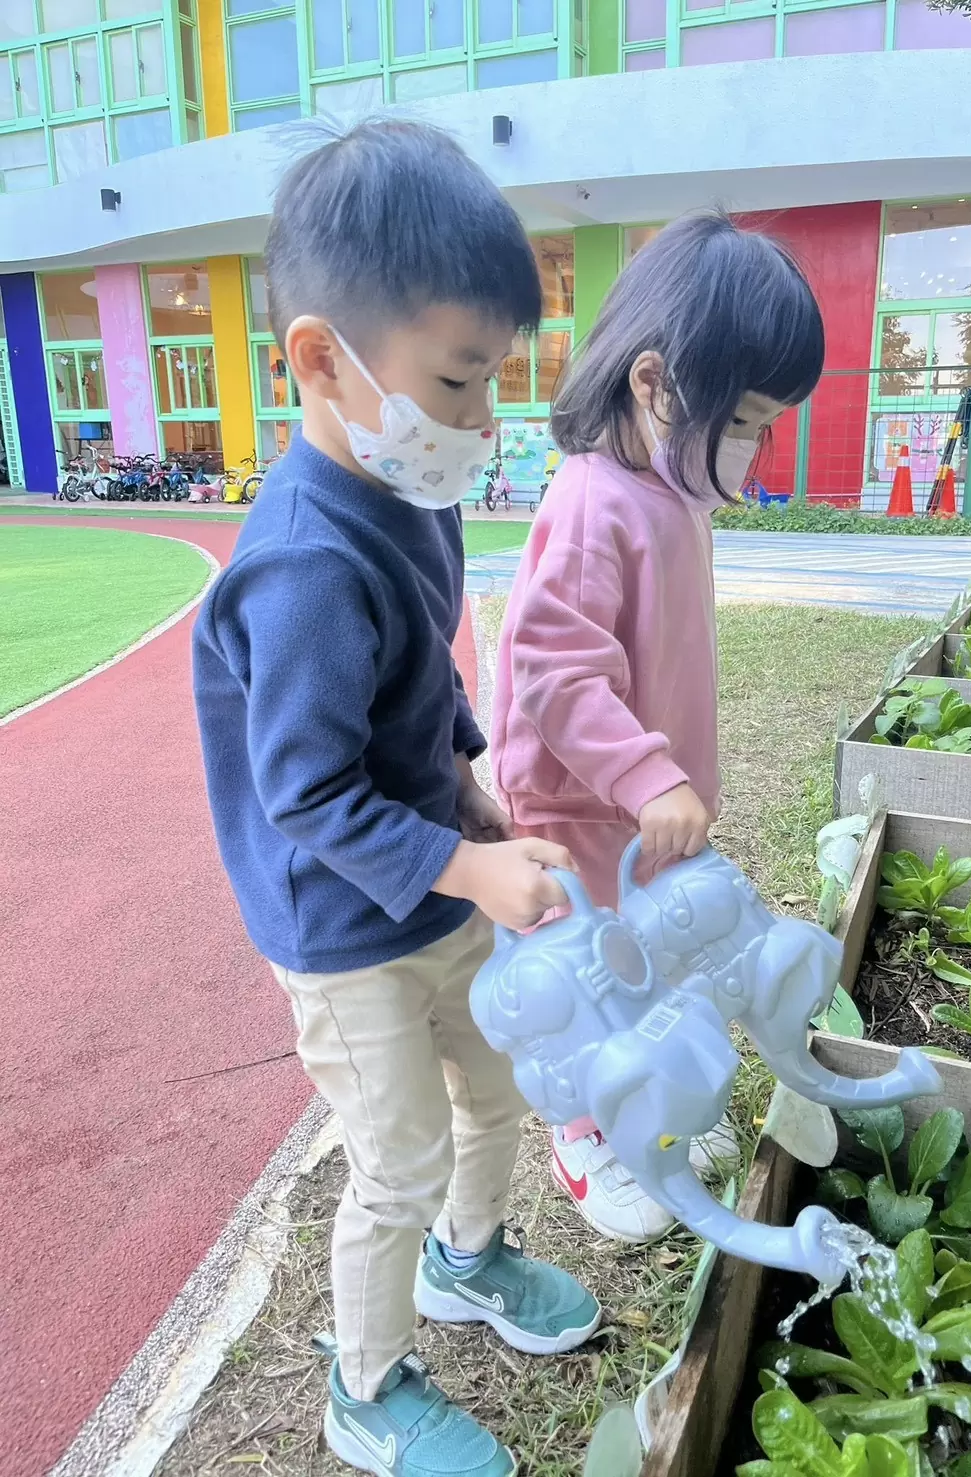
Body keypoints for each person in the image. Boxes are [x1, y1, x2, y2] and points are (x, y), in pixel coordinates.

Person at [192, 119, 601, 1477]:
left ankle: (470, 1262)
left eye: (493, 380)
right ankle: (364, 1385)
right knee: (397, 1156)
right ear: (324, 360)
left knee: (495, 1092)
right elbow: (306, 794)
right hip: (342, 922)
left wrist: (476, 791)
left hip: (435, 872)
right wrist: (472, 864)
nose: (481, 422)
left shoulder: (411, 494)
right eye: (459, 381)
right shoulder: (301, 566)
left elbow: (422, 681)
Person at [490, 211, 825, 1244]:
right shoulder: (595, 500)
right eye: (746, 420)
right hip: (576, 805)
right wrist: (646, 776)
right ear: (654, 385)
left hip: (635, 808)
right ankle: (586, 1131)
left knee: (649, 960)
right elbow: (553, 667)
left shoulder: (670, 493)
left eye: (766, 425)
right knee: (590, 977)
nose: (754, 448)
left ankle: (648, 1109)